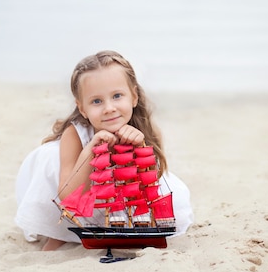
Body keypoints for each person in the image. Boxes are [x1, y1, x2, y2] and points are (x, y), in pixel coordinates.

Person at [14, 50, 193, 251]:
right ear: (82, 108)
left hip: (124, 202)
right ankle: (59, 232)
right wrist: (91, 149)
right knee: (49, 158)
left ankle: (124, 229)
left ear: (134, 96)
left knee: (168, 202)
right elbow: (67, 195)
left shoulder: (145, 130)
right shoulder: (75, 134)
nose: (109, 108)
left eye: (117, 96)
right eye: (96, 101)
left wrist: (140, 147)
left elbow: (151, 182)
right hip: (80, 194)